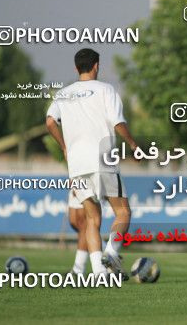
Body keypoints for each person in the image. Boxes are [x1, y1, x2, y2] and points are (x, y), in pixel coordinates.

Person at [46, 48, 138, 278]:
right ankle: (111, 251)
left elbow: (49, 122)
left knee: (91, 219)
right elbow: (117, 122)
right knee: (123, 213)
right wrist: (133, 144)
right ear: (97, 65)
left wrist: (65, 147)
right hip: (102, 159)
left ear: (76, 68)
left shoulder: (64, 93)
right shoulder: (107, 89)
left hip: (76, 164)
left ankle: (98, 272)